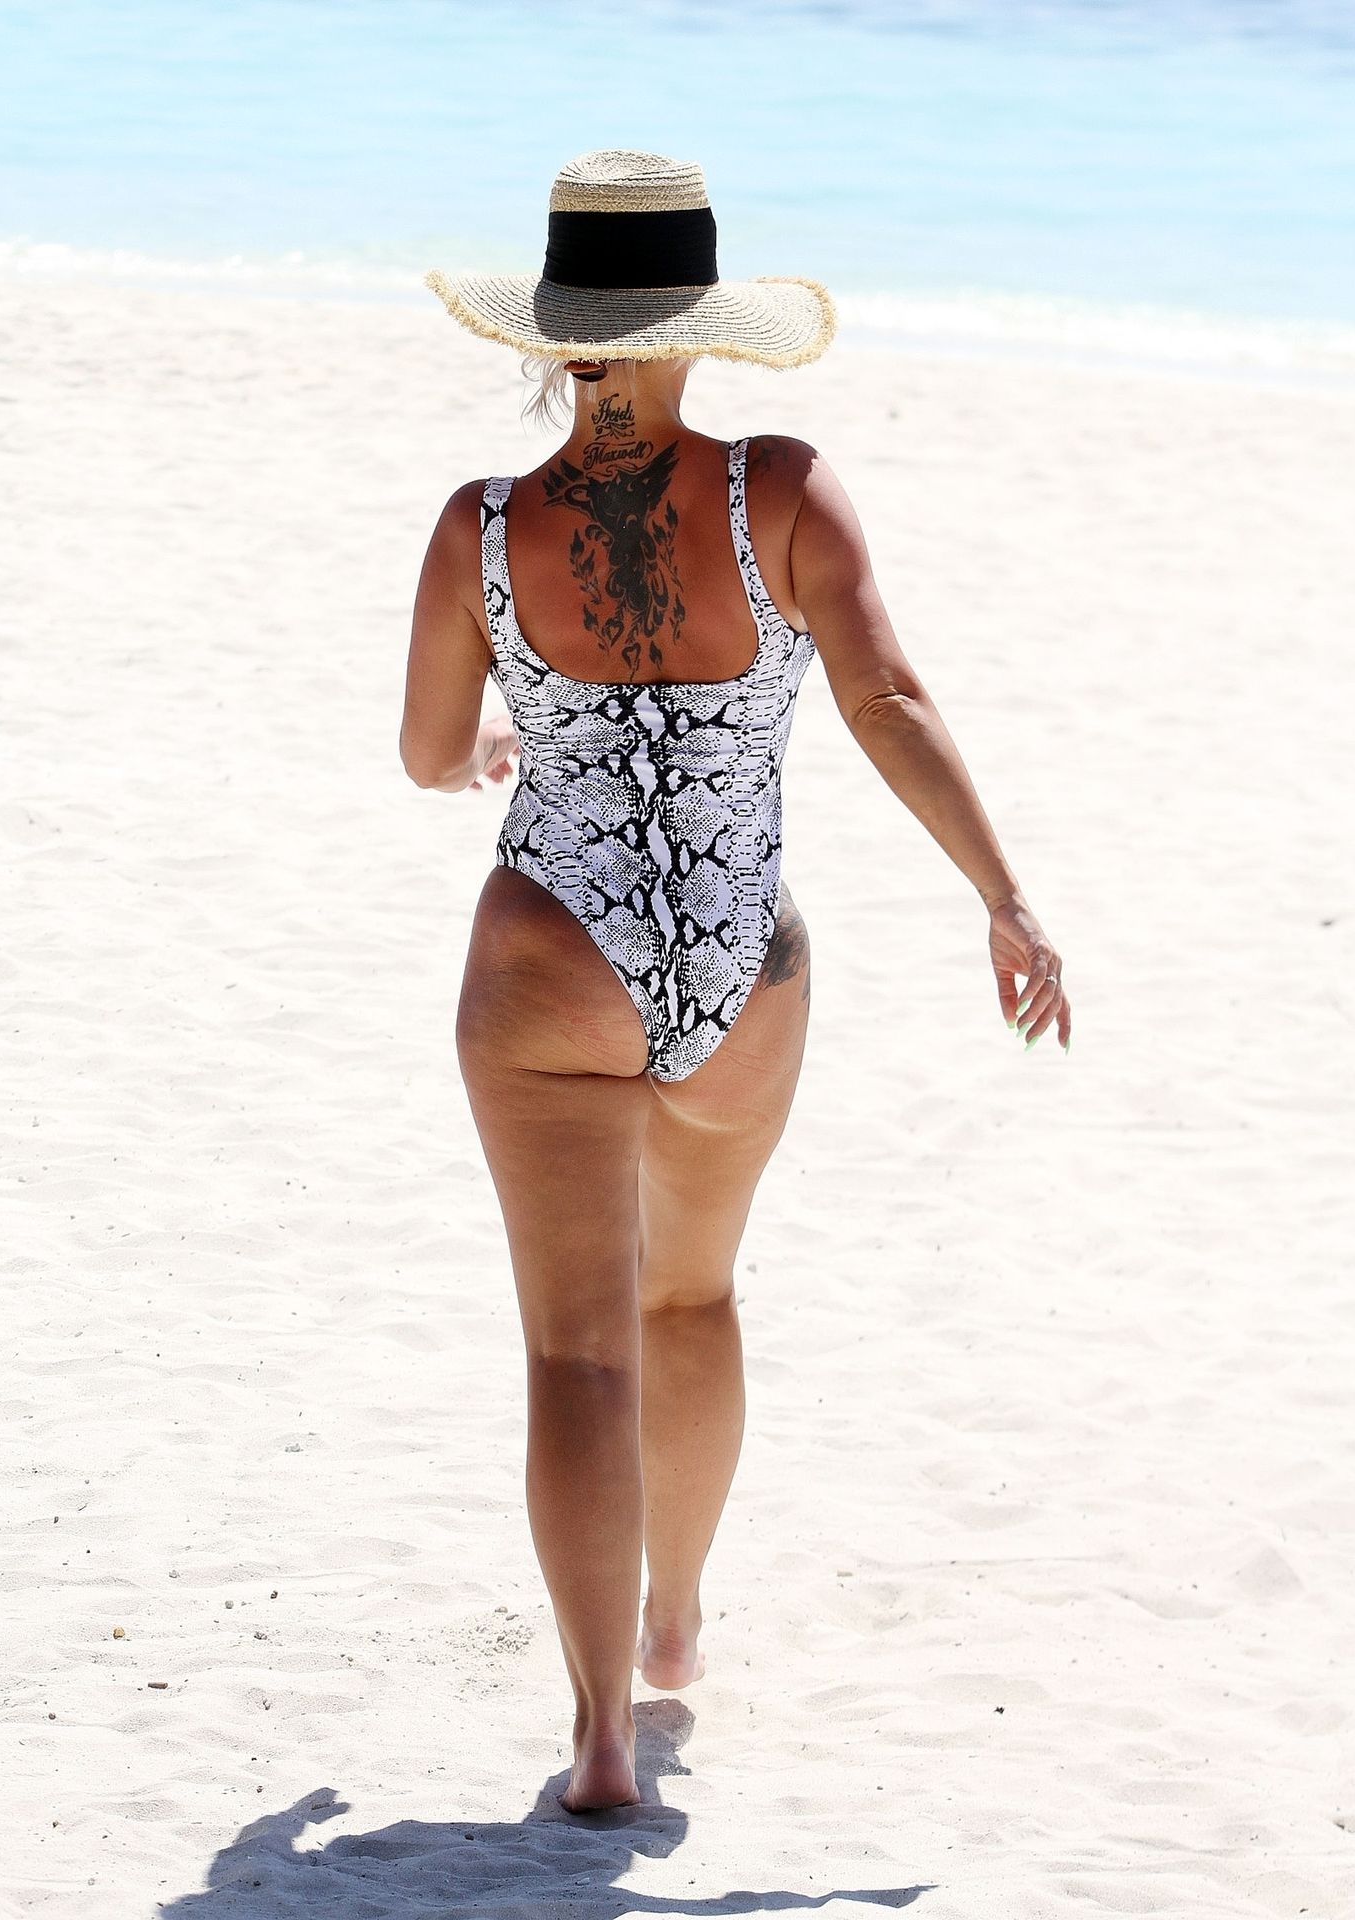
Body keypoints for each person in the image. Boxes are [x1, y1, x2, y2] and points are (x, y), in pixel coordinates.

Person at [401, 149, 1072, 1813]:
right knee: (688, 1301)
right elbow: (888, 699)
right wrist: (1003, 897)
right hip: (738, 964)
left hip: (550, 954)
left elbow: (428, 753)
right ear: (700, 329)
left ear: (559, 335)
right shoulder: (783, 490)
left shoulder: (480, 529)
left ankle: (599, 1743)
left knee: (577, 1356)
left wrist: (489, 749)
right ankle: (677, 1624)